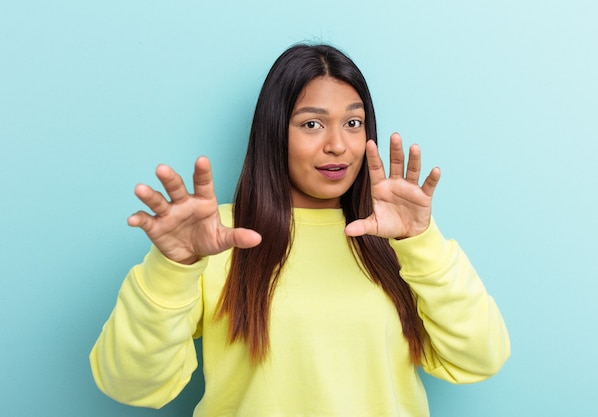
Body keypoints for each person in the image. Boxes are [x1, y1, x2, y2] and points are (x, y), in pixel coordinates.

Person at [90, 43, 510, 417]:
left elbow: (479, 359)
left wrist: (421, 242)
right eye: (312, 124)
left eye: (353, 123)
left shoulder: (399, 237)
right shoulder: (216, 236)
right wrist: (173, 266)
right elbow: (129, 384)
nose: (337, 145)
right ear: (275, 133)